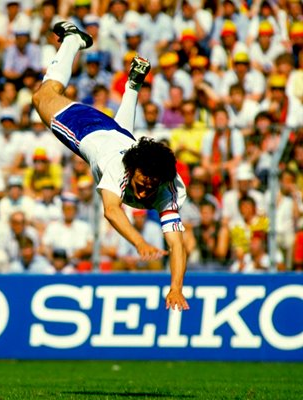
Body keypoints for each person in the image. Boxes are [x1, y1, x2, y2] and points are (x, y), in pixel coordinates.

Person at [31, 21, 189, 311]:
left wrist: (176, 288)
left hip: (119, 136)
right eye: (142, 184)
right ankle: (73, 40)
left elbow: (177, 244)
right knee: (42, 96)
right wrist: (139, 242)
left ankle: (131, 87)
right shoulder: (120, 167)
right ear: (134, 172)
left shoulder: (166, 188)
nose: (143, 194)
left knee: (125, 137)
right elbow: (112, 210)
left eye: (150, 188)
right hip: (86, 129)